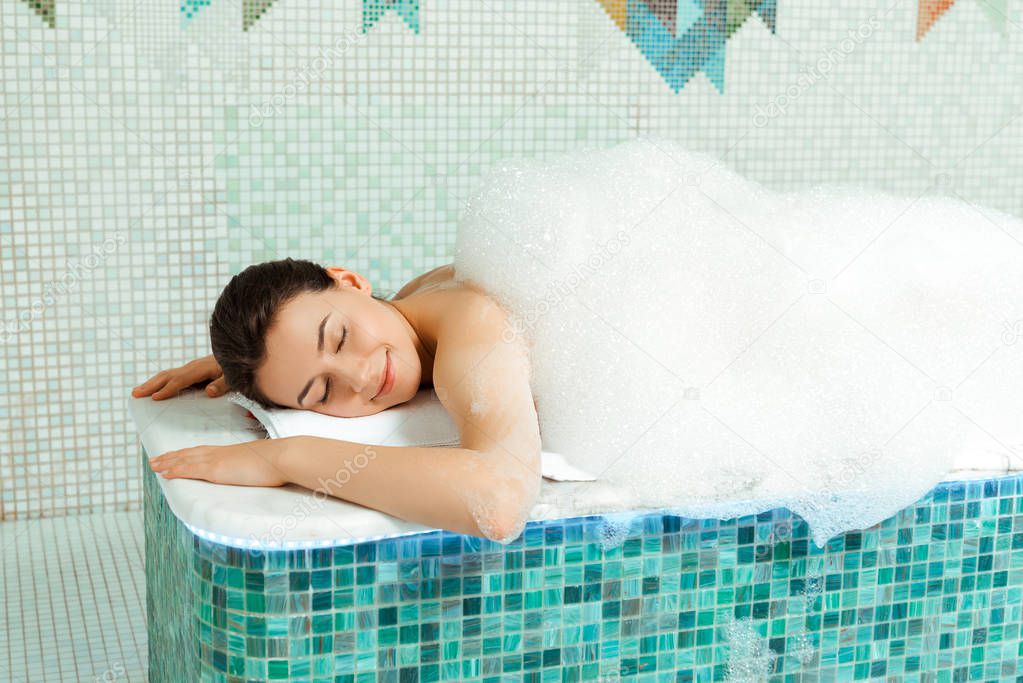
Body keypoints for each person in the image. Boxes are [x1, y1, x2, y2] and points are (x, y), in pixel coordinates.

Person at [131, 258, 543, 544]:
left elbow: (499, 501)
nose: (360, 377)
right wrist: (247, 365)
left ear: (350, 281)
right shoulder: (410, 304)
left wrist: (283, 458)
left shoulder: (474, 325)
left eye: (340, 338)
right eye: (322, 391)